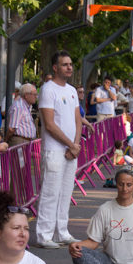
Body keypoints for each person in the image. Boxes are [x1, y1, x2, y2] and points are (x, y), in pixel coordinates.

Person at [34, 50, 84, 249]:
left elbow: (78, 120)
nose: (69, 67)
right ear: (55, 68)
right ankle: (44, 235)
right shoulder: (48, 89)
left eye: (70, 64)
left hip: (71, 150)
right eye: (65, 64)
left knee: (65, 193)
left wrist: (75, 145)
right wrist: (70, 145)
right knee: (50, 193)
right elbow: (49, 124)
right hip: (54, 150)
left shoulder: (72, 90)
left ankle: (61, 231)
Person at [6, 83, 38, 147]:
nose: (36, 97)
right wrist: (6, 140)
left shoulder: (25, 106)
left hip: (25, 141)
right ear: (26, 95)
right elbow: (12, 129)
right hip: (20, 141)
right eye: (34, 94)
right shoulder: (18, 107)